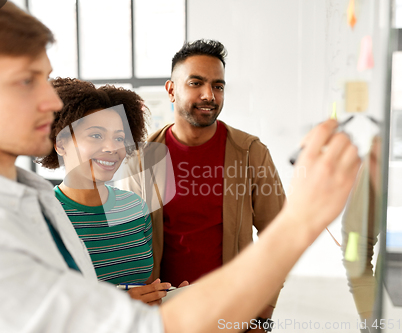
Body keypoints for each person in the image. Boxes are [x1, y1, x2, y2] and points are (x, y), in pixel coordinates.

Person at [0, 2, 361, 332]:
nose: (53, 102)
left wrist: (248, 315)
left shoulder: (35, 200)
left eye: (46, 77)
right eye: (26, 80)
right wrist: (304, 219)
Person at [120, 39, 286, 321]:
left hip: (233, 308)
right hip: (164, 310)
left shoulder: (250, 153)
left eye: (218, 86)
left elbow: (280, 236)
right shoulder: (141, 159)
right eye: (196, 83)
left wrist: (263, 317)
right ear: (171, 90)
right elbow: (129, 241)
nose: (209, 95)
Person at [36, 78, 186, 305]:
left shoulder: (135, 207)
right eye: (96, 135)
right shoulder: (43, 216)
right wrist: (119, 305)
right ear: (61, 143)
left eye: (119, 137)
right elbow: (40, 307)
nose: (112, 147)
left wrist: (168, 294)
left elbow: (143, 285)